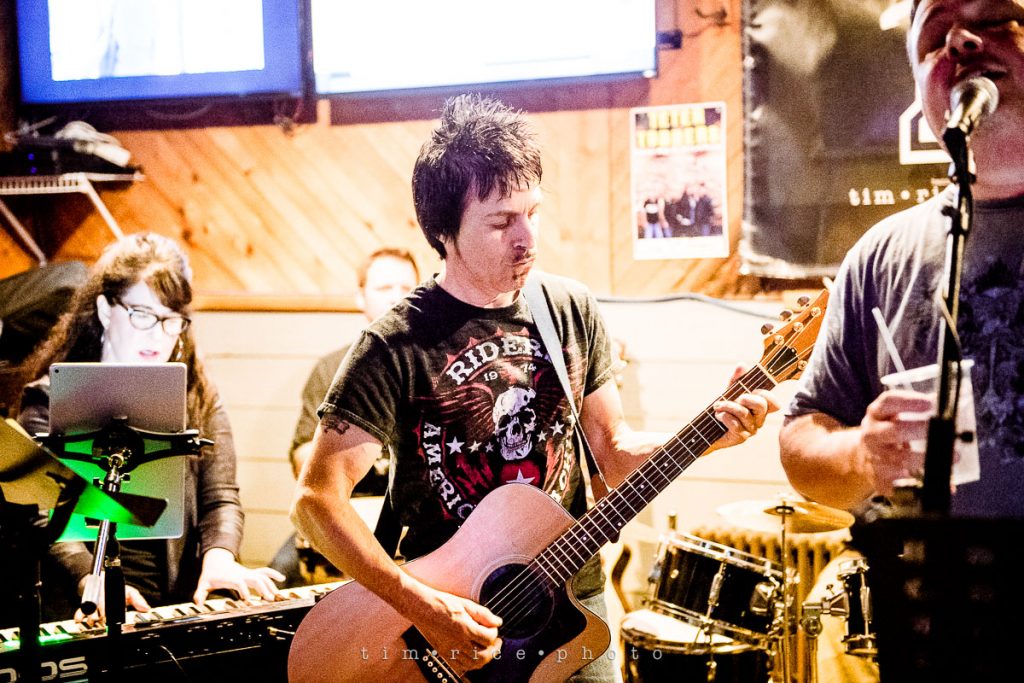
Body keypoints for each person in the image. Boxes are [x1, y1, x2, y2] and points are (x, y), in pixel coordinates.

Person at [290, 94, 778, 681]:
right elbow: (316, 503)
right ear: (444, 231)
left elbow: (613, 452)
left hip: (569, 603)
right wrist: (424, 607)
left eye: (534, 212)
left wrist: (709, 436)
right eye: (502, 222)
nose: (528, 238)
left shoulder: (570, 309)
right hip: (441, 622)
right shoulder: (394, 343)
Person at [780, 1, 1024, 680]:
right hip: (934, 644)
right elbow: (801, 440)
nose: (963, 40)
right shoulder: (879, 255)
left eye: (997, 17)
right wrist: (860, 455)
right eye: (936, 36)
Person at [14, 233, 282, 624]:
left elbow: (221, 497)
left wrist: (220, 556)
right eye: (142, 314)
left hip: (177, 600)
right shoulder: (48, 401)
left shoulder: (198, 397)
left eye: (172, 320)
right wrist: (89, 578)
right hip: (86, 604)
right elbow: (46, 512)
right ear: (106, 310)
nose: (158, 334)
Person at [269, 247, 420, 586]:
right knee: (278, 577)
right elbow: (302, 457)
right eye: (384, 288)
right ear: (360, 297)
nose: (396, 297)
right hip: (346, 517)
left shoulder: (436, 365)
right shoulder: (331, 369)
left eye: (406, 288)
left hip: (416, 523)